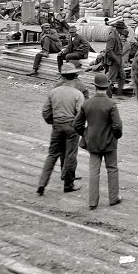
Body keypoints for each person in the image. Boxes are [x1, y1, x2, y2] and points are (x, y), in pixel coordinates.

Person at [73, 73, 123, 210]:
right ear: (107, 87)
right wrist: (115, 136)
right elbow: (117, 125)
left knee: (94, 171)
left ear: (95, 87)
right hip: (109, 142)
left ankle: (92, 201)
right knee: (112, 169)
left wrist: (85, 134)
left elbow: (77, 124)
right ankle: (114, 198)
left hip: (92, 142)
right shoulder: (111, 104)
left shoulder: (87, 103)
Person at [36, 66, 86, 195]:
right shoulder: (78, 94)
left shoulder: (54, 92)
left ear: (62, 76)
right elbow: (81, 113)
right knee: (70, 155)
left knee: (52, 155)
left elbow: (46, 111)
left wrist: (52, 121)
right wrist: (78, 128)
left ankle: (42, 184)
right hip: (71, 126)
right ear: (75, 77)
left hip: (57, 125)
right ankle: (68, 184)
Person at [104, 20, 126, 95]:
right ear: (119, 29)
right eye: (123, 29)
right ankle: (108, 95)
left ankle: (119, 93)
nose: (124, 30)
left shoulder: (117, 35)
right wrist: (116, 59)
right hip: (114, 61)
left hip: (118, 61)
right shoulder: (112, 37)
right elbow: (109, 51)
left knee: (123, 76)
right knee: (111, 79)